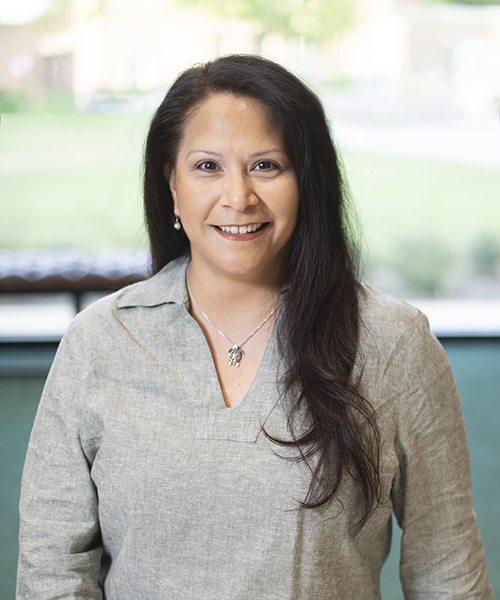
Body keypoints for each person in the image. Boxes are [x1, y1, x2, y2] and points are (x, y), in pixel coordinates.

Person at [17, 55, 493, 599]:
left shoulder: (394, 345)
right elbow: (52, 571)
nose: (238, 196)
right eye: (206, 167)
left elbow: (447, 572)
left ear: (306, 182)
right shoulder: (99, 342)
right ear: (171, 184)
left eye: (266, 165)